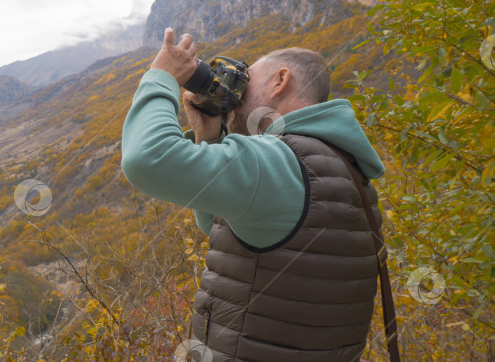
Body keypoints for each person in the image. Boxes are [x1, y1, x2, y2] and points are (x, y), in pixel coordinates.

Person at [121, 28, 387, 361]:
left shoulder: (280, 161)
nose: (238, 94)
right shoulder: (343, 167)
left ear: (280, 81)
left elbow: (145, 159)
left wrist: (161, 76)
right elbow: (232, 227)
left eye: (246, 82)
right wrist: (209, 138)